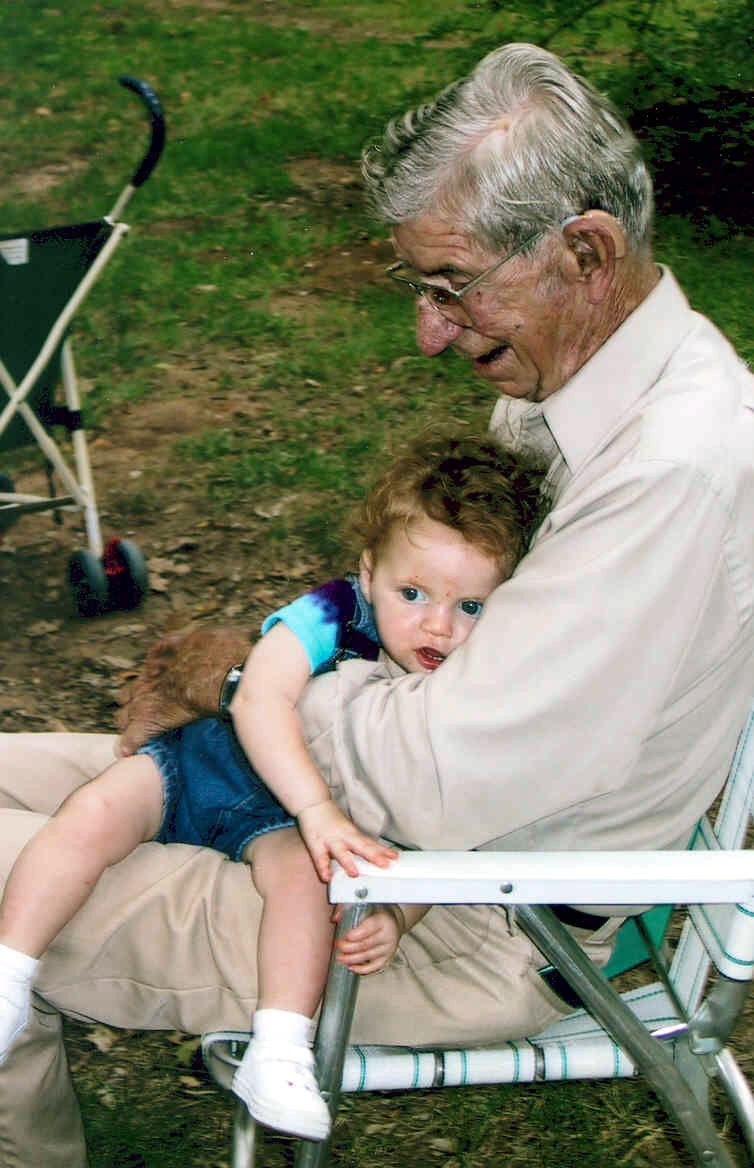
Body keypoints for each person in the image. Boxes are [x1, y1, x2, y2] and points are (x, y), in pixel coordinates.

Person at [1, 40, 753, 1168]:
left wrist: (244, 680)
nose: (431, 332)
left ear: (587, 252)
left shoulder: (666, 471)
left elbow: (441, 773)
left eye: (453, 286)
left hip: (451, 913)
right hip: (358, 821)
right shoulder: (592, 388)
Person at [0, 431, 547, 1142]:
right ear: (369, 572)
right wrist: (316, 806)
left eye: (470, 606)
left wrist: (398, 915)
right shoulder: (334, 610)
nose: (437, 625)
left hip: (280, 828)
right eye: (412, 593)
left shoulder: (478, 685)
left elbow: (438, 834)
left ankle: (281, 1050)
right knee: (94, 812)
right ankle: (10, 975)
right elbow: (259, 695)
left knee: (305, 890)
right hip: (203, 768)